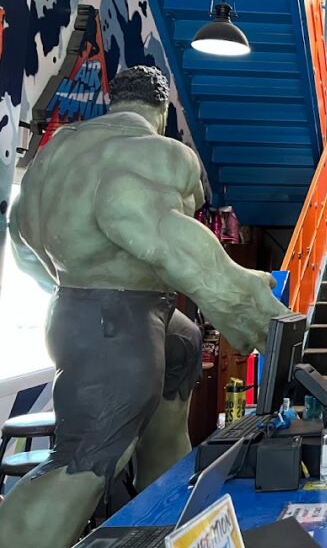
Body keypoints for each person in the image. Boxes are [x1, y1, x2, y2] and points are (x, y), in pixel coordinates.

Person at [0, 66, 290, 548]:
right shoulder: (153, 150)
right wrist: (243, 298)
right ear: (161, 111)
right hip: (115, 321)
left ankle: (164, 521)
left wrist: (80, 282)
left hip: (92, 310)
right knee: (87, 459)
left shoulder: (55, 154)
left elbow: (22, 243)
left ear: (115, 101)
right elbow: (157, 231)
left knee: (183, 346)